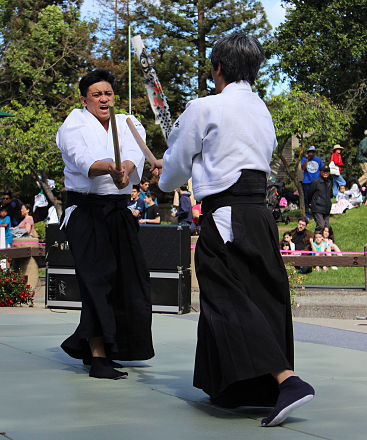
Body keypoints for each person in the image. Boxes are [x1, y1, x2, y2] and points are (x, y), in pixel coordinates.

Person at [153, 33, 314, 427]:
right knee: (261, 295)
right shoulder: (262, 110)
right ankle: (236, 388)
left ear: (218, 68)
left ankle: (286, 380)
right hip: (259, 214)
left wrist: (165, 174)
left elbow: (173, 172)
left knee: (227, 299)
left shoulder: (204, 106)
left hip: (225, 216)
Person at [56, 68, 154, 380]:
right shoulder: (74, 124)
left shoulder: (128, 122)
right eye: (96, 94)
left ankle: (114, 347)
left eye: (108, 93)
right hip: (86, 212)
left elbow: (135, 158)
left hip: (119, 212)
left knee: (129, 281)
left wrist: (125, 168)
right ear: (84, 100)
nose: (103, 99)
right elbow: (81, 160)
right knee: (95, 282)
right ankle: (97, 356)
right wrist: (110, 167)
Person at [301, 146, 324, 218]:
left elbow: (322, 169)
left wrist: (321, 179)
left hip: (316, 182)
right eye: (310, 152)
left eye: (313, 152)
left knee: (316, 198)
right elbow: (303, 168)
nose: (311, 153)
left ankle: (315, 214)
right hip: (307, 181)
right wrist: (307, 159)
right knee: (307, 198)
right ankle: (307, 214)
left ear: (315, 153)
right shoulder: (304, 159)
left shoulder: (318, 160)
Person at [308, 165, 332, 230]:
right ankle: (315, 239)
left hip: (326, 208)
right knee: (321, 226)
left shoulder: (329, 182)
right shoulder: (316, 182)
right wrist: (310, 202)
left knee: (327, 228)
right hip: (317, 207)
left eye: (327, 172)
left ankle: (325, 240)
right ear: (320, 172)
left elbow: (330, 194)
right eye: (324, 172)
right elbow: (310, 193)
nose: (325, 173)